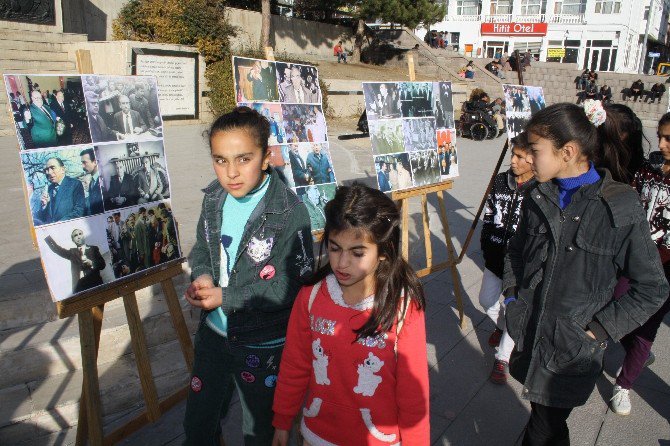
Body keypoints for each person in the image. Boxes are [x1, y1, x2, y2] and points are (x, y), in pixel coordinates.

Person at [503, 103, 668, 445]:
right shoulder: (537, 194)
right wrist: (512, 296)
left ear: (568, 152)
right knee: (544, 421)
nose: (529, 160)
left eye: (535, 151)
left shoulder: (619, 205)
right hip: (530, 334)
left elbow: (652, 287)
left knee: (544, 426)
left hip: (572, 350)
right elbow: (517, 251)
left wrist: (600, 329)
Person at [182, 106, 313, 445]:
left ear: (266, 157)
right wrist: (203, 277)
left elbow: (290, 287)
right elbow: (202, 249)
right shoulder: (213, 198)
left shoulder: (289, 212)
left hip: (263, 345)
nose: (231, 173)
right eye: (221, 160)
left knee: (262, 433)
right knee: (198, 425)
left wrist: (226, 296)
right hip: (214, 335)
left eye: (243, 158)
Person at [271, 183, 429, 445]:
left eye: (357, 253)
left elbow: (413, 392)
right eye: (334, 248)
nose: (341, 263)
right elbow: (294, 364)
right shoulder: (310, 297)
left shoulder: (402, 307)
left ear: (383, 252)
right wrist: (282, 420)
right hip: (316, 435)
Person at [610, 112, 670, 416]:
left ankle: (624, 385)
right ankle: (636, 352)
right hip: (633, 257)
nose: (661, 143)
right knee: (618, 307)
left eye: (668, 139)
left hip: (666, 269)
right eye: (660, 135)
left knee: (647, 327)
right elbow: (632, 201)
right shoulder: (648, 169)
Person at [478, 132, 536, 384]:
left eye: (521, 157)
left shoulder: (541, 189)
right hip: (494, 257)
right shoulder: (500, 181)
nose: (513, 160)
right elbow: (489, 215)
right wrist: (486, 244)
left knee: (515, 308)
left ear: (534, 160)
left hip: (521, 265)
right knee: (486, 300)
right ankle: (502, 324)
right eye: (513, 154)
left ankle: (502, 357)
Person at [44, 229, 106, 294]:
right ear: (73, 240)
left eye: (80, 234)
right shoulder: (72, 253)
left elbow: (102, 265)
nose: (78, 236)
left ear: (83, 236)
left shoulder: (93, 249)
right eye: (75, 235)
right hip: (80, 289)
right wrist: (46, 236)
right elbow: (57, 249)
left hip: (96, 285)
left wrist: (91, 263)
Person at [37, 157, 86, 224]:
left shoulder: (75, 184)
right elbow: (41, 218)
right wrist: (44, 206)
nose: (49, 172)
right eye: (47, 169)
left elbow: (79, 211)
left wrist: (59, 224)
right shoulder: (48, 190)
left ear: (63, 169)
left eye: (52, 168)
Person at [80, 148, 104, 215]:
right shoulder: (92, 183)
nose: (83, 167)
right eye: (82, 163)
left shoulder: (104, 180)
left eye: (84, 163)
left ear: (95, 162)